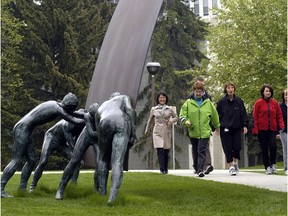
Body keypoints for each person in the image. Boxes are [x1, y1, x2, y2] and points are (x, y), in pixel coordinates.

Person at [1, 93, 85, 198]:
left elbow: (74, 114)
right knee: (17, 160)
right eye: (72, 108)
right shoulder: (57, 108)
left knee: (32, 160)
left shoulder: (54, 104)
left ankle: (22, 188)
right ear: (70, 106)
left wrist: (89, 114)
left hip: (25, 129)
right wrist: (89, 120)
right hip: (22, 129)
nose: (72, 110)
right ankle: (1, 188)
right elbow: (73, 119)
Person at [93, 92, 136, 204]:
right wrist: (133, 132)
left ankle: (102, 193)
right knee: (117, 162)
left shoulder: (102, 106)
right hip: (121, 121)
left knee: (102, 159)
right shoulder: (124, 97)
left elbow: (98, 130)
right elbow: (131, 111)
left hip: (104, 123)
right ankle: (112, 196)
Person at [29, 110, 85, 193]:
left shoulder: (81, 126)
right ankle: (32, 186)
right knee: (43, 161)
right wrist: (78, 156)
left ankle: (73, 185)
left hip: (61, 143)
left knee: (77, 162)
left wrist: (79, 157)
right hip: (51, 138)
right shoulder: (68, 124)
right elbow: (70, 143)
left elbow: (77, 142)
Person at [55, 103, 99, 200]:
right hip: (87, 135)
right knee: (74, 161)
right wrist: (64, 106)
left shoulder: (103, 115)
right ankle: (60, 189)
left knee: (100, 165)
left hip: (97, 139)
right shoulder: (87, 116)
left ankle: (98, 191)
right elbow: (91, 133)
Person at [179, 81, 220, 177]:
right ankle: (197, 168)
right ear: (194, 91)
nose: (198, 93)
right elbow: (182, 114)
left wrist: (217, 127)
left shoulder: (208, 103)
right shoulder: (188, 103)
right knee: (195, 150)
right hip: (193, 131)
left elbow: (215, 116)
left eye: (200, 91)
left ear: (203, 92)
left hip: (205, 131)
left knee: (201, 150)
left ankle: (200, 170)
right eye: (197, 91)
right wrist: (186, 121)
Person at [216, 81, 248, 175]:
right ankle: (230, 167)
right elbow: (217, 116)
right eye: (228, 88)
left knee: (237, 147)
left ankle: (234, 163)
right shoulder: (221, 102)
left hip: (237, 128)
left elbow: (243, 115)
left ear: (234, 89)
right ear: (226, 90)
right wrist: (217, 128)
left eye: (232, 87)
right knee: (227, 147)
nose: (230, 89)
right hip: (225, 128)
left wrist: (245, 125)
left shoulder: (239, 101)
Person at [252, 84, 285, 175]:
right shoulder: (258, 103)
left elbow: (279, 115)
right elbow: (255, 116)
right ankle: (267, 167)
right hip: (261, 129)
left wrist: (281, 125)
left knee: (273, 146)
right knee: (264, 149)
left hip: (272, 129)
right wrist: (255, 129)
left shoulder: (275, 103)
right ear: (263, 92)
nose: (268, 93)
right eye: (266, 91)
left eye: (269, 91)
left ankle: (273, 164)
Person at [144, 91, 178, 174]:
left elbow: (176, 117)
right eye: (160, 98)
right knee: (160, 150)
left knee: (166, 151)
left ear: (166, 99)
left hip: (166, 131)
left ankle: (166, 168)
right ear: (158, 99)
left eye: (163, 97)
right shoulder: (154, 109)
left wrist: (170, 121)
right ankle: (162, 169)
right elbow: (150, 120)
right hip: (157, 132)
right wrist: (147, 130)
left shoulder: (169, 109)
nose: (162, 99)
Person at [187, 76, 214, 175]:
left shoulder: (208, 97)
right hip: (193, 127)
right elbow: (186, 112)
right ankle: (197, 166)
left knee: (204, 147)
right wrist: (187, 122)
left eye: (202, 83)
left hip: (205, 127)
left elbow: (211, 113)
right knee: (196, 148)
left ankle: (206, 165)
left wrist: (213, 126)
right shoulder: (190, 98)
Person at [279, 88, 287, 174]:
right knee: (286, 148)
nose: (287, 96)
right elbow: (278, 118)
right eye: (285, 94)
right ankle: (286, 168)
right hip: (284, 130)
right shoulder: (281, 106)